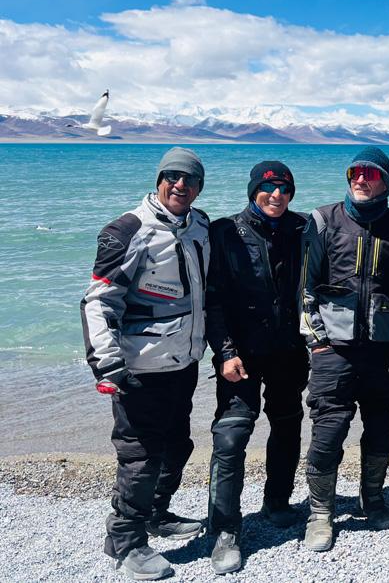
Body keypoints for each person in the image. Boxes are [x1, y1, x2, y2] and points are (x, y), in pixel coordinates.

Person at [81, 147, 210, 581]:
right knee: (140, 456)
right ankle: (125, 540)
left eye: (190, 180)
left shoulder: (200, 227)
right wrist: (107, 364)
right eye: (172, 176)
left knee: (178, 446)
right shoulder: (128, 230)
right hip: (139, 367)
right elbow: (98, 302)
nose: (180, 185)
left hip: (183, 361)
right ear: (158, 180)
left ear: (198, 188)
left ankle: (156, 514)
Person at [299, 146, 389, 550]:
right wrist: (317, 341)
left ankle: (372, 496)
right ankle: (321, 512)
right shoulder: (322, 221)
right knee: (327, 433)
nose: (360, 178)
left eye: (370, 174)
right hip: (333, 350)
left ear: (385, 182)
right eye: (355, 171)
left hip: (383, 350)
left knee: (380, 432)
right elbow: (303, 288)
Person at [203, 161, 309, 574]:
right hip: (239, 356)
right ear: (254, 190)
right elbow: (213, 300)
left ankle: (277, 501)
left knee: (287, 426)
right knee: (230, 438)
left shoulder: (303, 229)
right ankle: (225, 530)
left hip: (287, 352)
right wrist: (225, 351)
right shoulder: (226, 232)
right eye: (268, 188)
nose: (276, 195)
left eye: (284, 188)